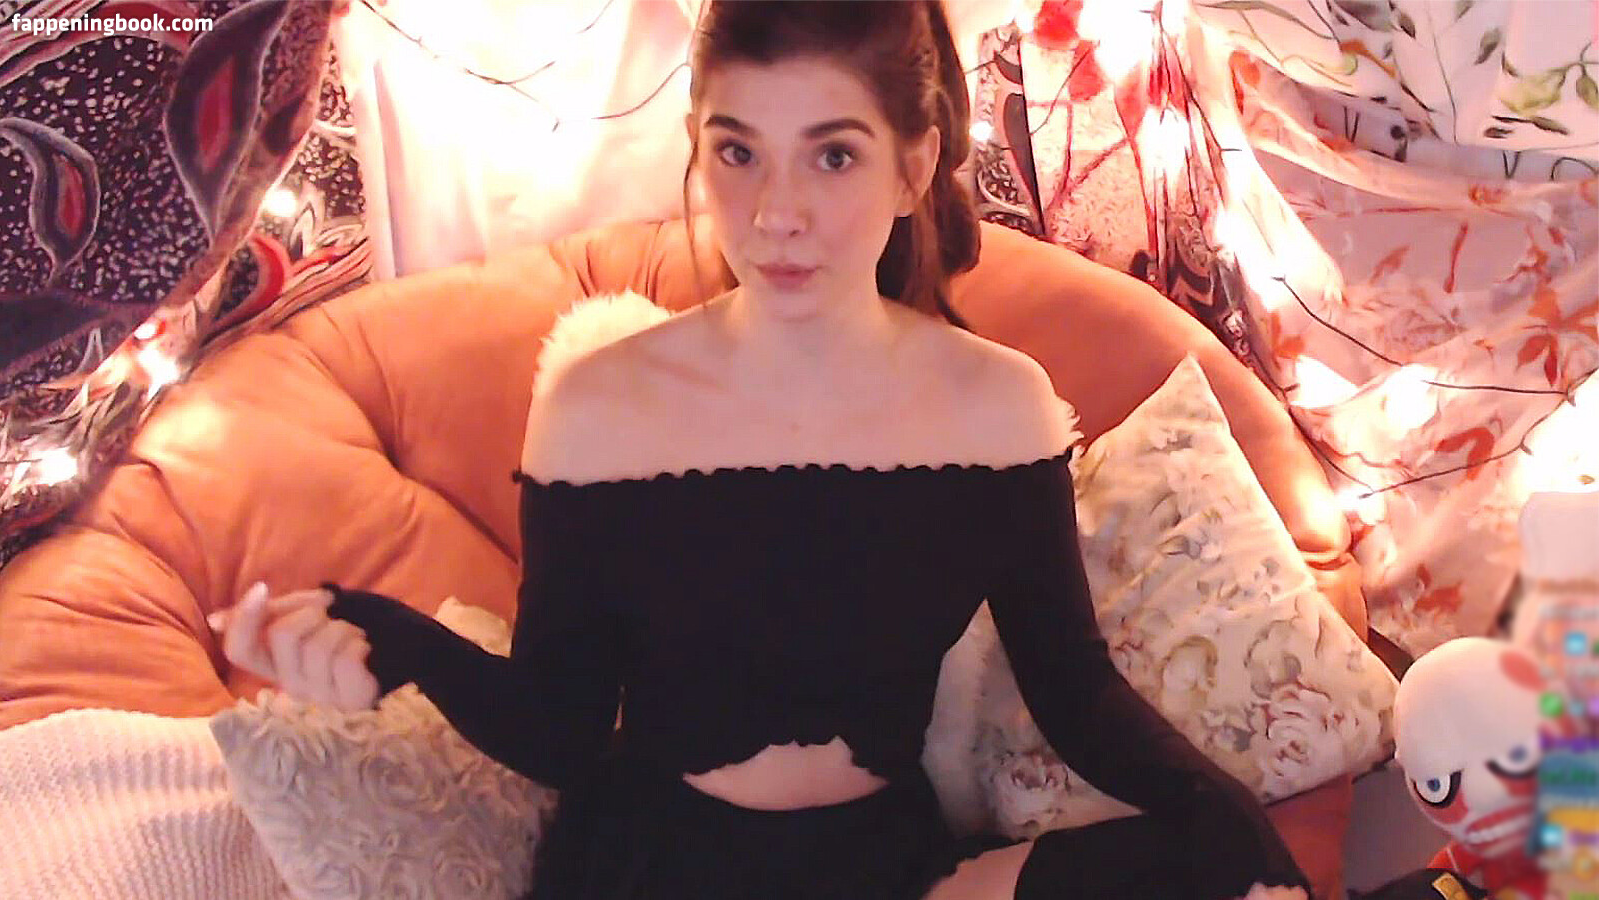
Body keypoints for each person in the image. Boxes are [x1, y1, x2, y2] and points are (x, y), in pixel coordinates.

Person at [209, 2, 1313, 898]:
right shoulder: (600, 405)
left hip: (886, 870)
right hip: (652, 870)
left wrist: (1242, 845)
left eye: (832, 155)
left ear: (914, 164)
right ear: (699, 150)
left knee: (1212, 864)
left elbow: (1077, 698)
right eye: (739, 152)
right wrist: (388, 638)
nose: (777, 212)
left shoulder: (999, 407)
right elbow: (558, 727)